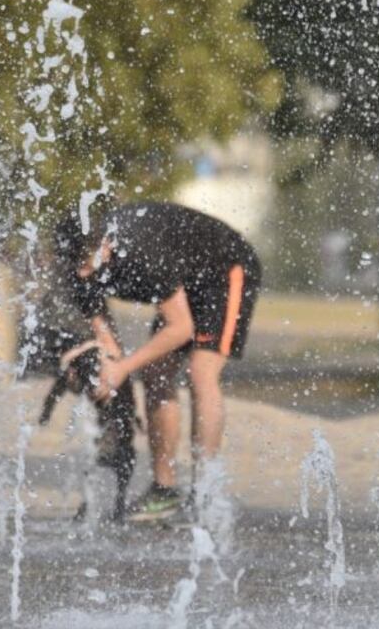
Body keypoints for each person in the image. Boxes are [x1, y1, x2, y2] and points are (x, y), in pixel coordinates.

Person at [54, 201, 261, 522]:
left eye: (88, 263)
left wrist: (122, 368)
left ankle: (204, 492)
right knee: (154, 373)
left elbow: (181, 328)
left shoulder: (142, 253)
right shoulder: (76, 264)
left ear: (106, 245)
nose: (83, 274)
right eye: (75, 265)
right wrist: (103, 373)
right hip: (183, 277)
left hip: (225, 269)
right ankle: (164, 491)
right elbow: (107, 341)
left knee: (200, 373)